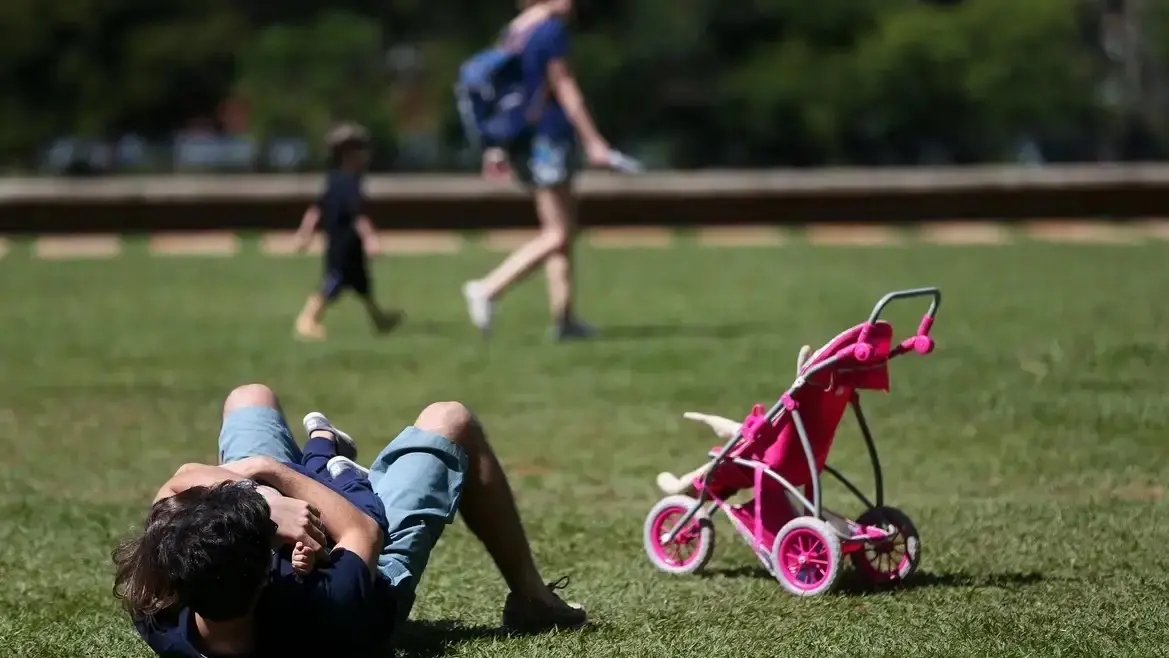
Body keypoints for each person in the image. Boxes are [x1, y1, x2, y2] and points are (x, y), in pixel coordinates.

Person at [113, 384, 585, 657]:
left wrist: (261, 500)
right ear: (265, 571)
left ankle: (316, 461)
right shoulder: (328, 605)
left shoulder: (159, 607)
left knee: (248, 396)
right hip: (369, 564)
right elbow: (361, 530)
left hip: (259, 544)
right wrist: (270, 474)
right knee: (451, 418)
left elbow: (176, 486)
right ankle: (532, 599)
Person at [461, 0, 615, 341]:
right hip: (550, 137)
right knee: (559, 233)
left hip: (523, 140)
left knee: (558, 229)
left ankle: (565, 320)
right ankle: (487, 288)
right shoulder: (550, 30)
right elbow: (564, 86)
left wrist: (496, 146)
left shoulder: (516, 29)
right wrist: (593, 141)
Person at [292, 123, 401, 341]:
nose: (367, 155)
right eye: (362, 150)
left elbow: (316, 209)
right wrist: (371, 239)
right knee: (332, 283)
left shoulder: (333, 179)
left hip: (343, 242)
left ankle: (380, 320)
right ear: (348, 154)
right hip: (344, 244)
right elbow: (357, 215)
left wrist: (305, 234)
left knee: (362, 284)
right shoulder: (350, 182)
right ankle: (306, 319)